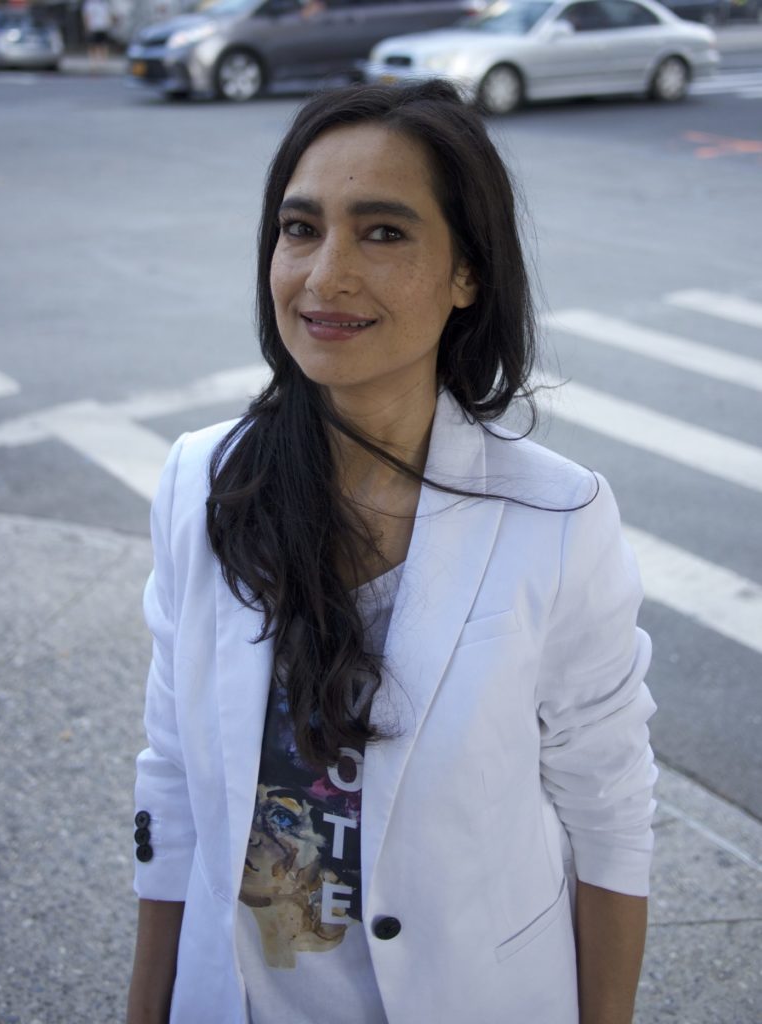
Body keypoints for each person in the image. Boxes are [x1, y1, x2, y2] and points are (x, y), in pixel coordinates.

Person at [126, 80, 656, 1024]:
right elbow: (171, 775)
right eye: (299, 229)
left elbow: (608, 814)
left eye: (383, 232)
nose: (325, 276)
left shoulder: (557, 517)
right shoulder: (201, 480)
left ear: (468, 274)